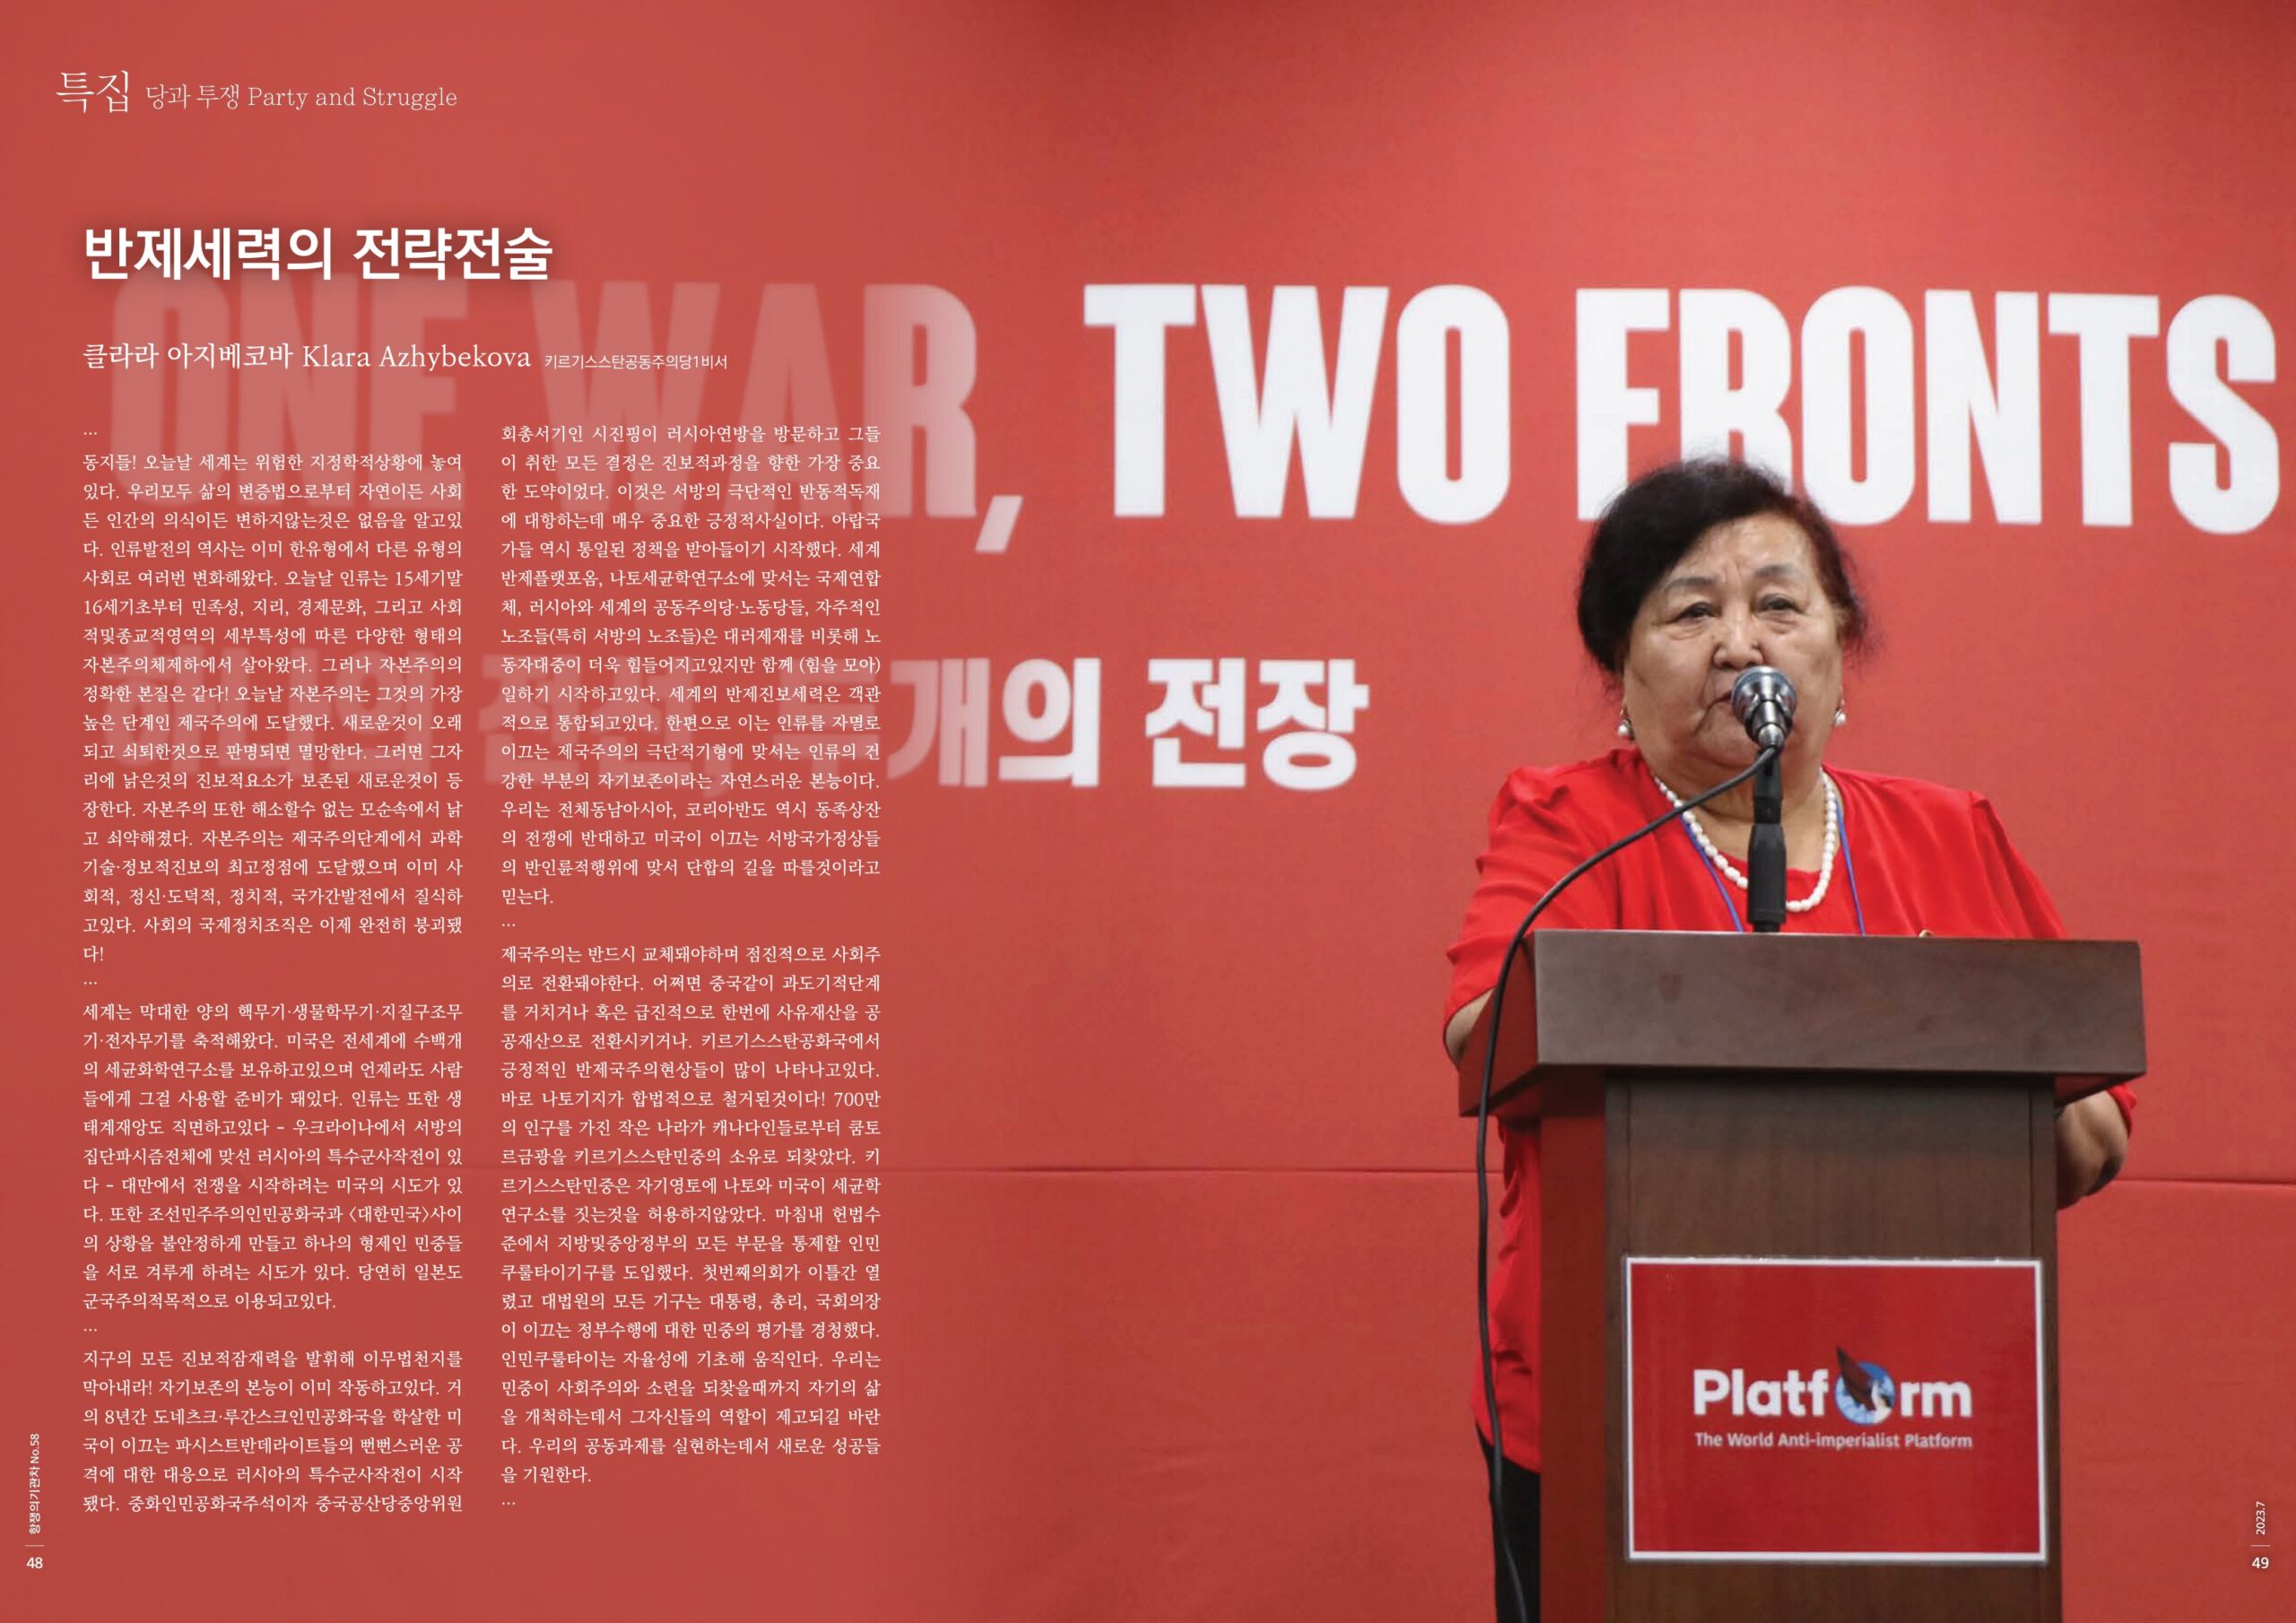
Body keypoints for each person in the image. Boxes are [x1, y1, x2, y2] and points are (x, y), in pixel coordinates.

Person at [1439, 456, 2136, 1623]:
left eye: (1778, 603)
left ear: (1840, 648)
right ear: (1621, 669)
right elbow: (1490, 1029)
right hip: (1624, 1406)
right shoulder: (1572, 823)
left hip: (1908, 1409)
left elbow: (2092, 1133)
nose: (1739, 644)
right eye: (1690, 612)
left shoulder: (1949, 835)